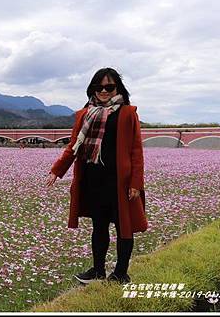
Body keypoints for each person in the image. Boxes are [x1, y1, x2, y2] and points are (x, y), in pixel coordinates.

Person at [46, 67, 147, 285]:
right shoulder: (84, 114)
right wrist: (57, 169)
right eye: (98, 87)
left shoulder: (127, 113)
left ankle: (121, 273)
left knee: (124, 225)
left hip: (120, 181)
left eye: (108, 87)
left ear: (117, 88)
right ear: (92, 88)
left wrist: (136, 183)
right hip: (94, 180)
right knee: (99, 225)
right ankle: (98, 270)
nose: (103, 90)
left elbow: (136, 150)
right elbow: (74, 146)